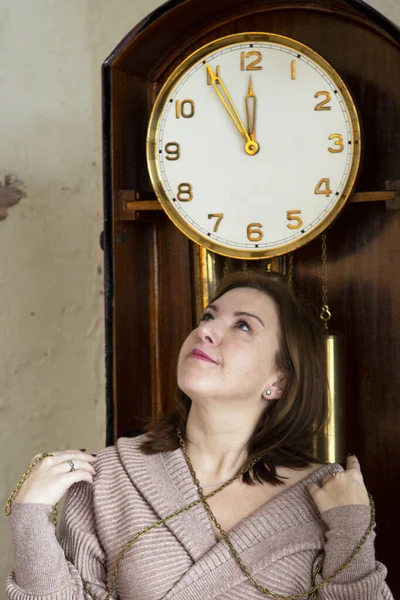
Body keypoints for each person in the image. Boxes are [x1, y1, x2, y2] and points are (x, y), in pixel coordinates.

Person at [5, 270, 393, 600]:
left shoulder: (326, 497)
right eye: (208, 316)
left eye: (242, 325)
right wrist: (28, 519)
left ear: (279, 380)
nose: (206, 330)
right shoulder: (110, 477)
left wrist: (351, 528)